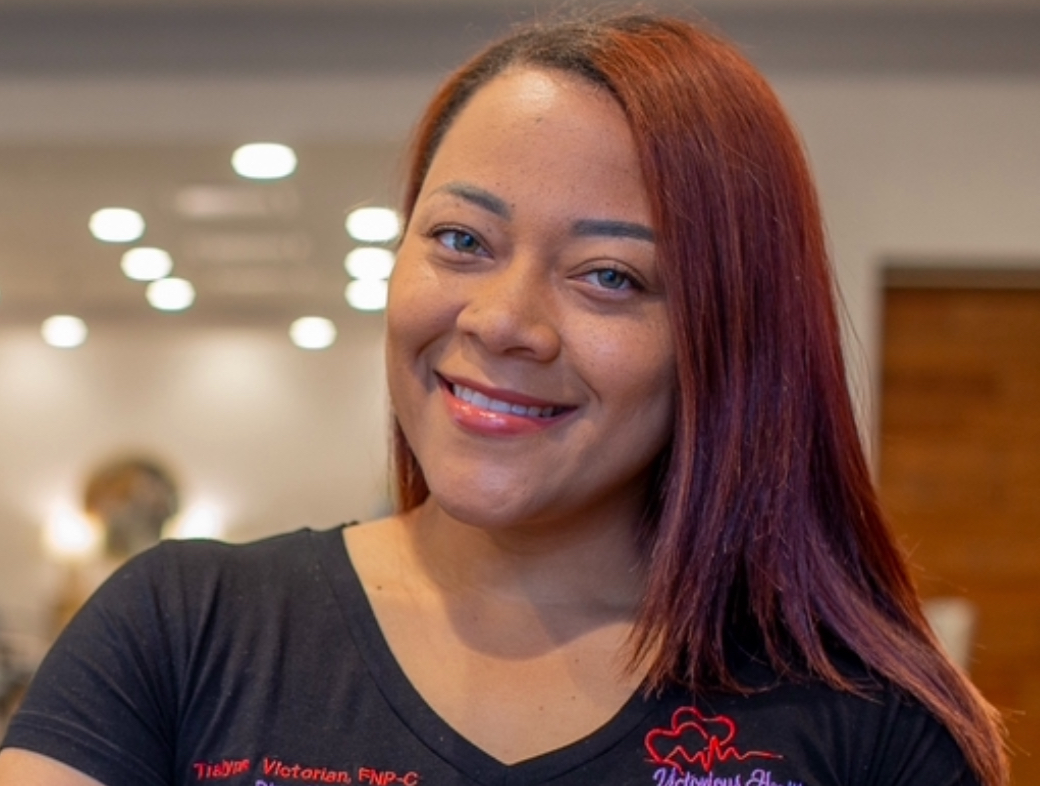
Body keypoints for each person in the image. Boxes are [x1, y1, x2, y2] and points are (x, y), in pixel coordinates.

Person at [0, 10, 1008, 786]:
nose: (500, 321)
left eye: (609, 275)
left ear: (724, 338)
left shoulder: (867, 721)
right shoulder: (183, 631)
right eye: (460, 241)